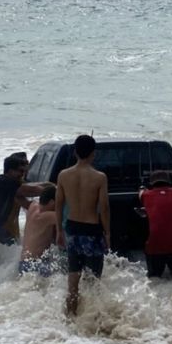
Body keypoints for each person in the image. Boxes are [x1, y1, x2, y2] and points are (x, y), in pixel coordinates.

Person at [55, 135, 110, 316]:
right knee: (93, 280)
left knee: (73, 280)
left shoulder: (63, 175)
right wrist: (107, 233)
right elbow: (104, 207)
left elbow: (59, 204)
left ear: (75, 152)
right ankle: (92, 319)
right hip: (92, 230)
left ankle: (71, 317)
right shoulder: (99, 177)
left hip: (72, 228)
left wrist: (59, 230)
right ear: (93, 154)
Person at [139, 170, 172, 278]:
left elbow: (140, 193)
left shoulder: (146, 195)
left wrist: (141, 188)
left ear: (152, 183)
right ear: (169, 182)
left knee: (155, 279)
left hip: (154, 249)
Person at [19, 184, 58, 276]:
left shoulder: (33, 206)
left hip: (24, 263)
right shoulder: (46, 216)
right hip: (35, 265)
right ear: (52, 202)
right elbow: (70, 218)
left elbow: (18, 196)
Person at [0, 151, 30, 244]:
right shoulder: (13, 185)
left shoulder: (18, 182)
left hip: (11, 227)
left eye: (27, 163)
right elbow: (27, 205)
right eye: (24, 164)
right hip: (5, 229)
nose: (27, 167)